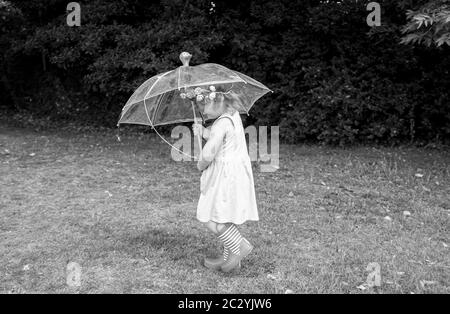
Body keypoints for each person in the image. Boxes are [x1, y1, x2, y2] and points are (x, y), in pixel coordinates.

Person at [192, 87, 259, 273]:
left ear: (219, 101)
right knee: (225, 215)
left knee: (211, 216)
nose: (202, 110)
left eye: (205, 105)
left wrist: (201, 164)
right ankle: (229, 258)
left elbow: (210, 152)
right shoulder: (232, 115)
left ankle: (240, 246)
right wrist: (204, 131)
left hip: (224, 176)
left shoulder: (220, 124)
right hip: (235, 173)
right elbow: (221, 137)